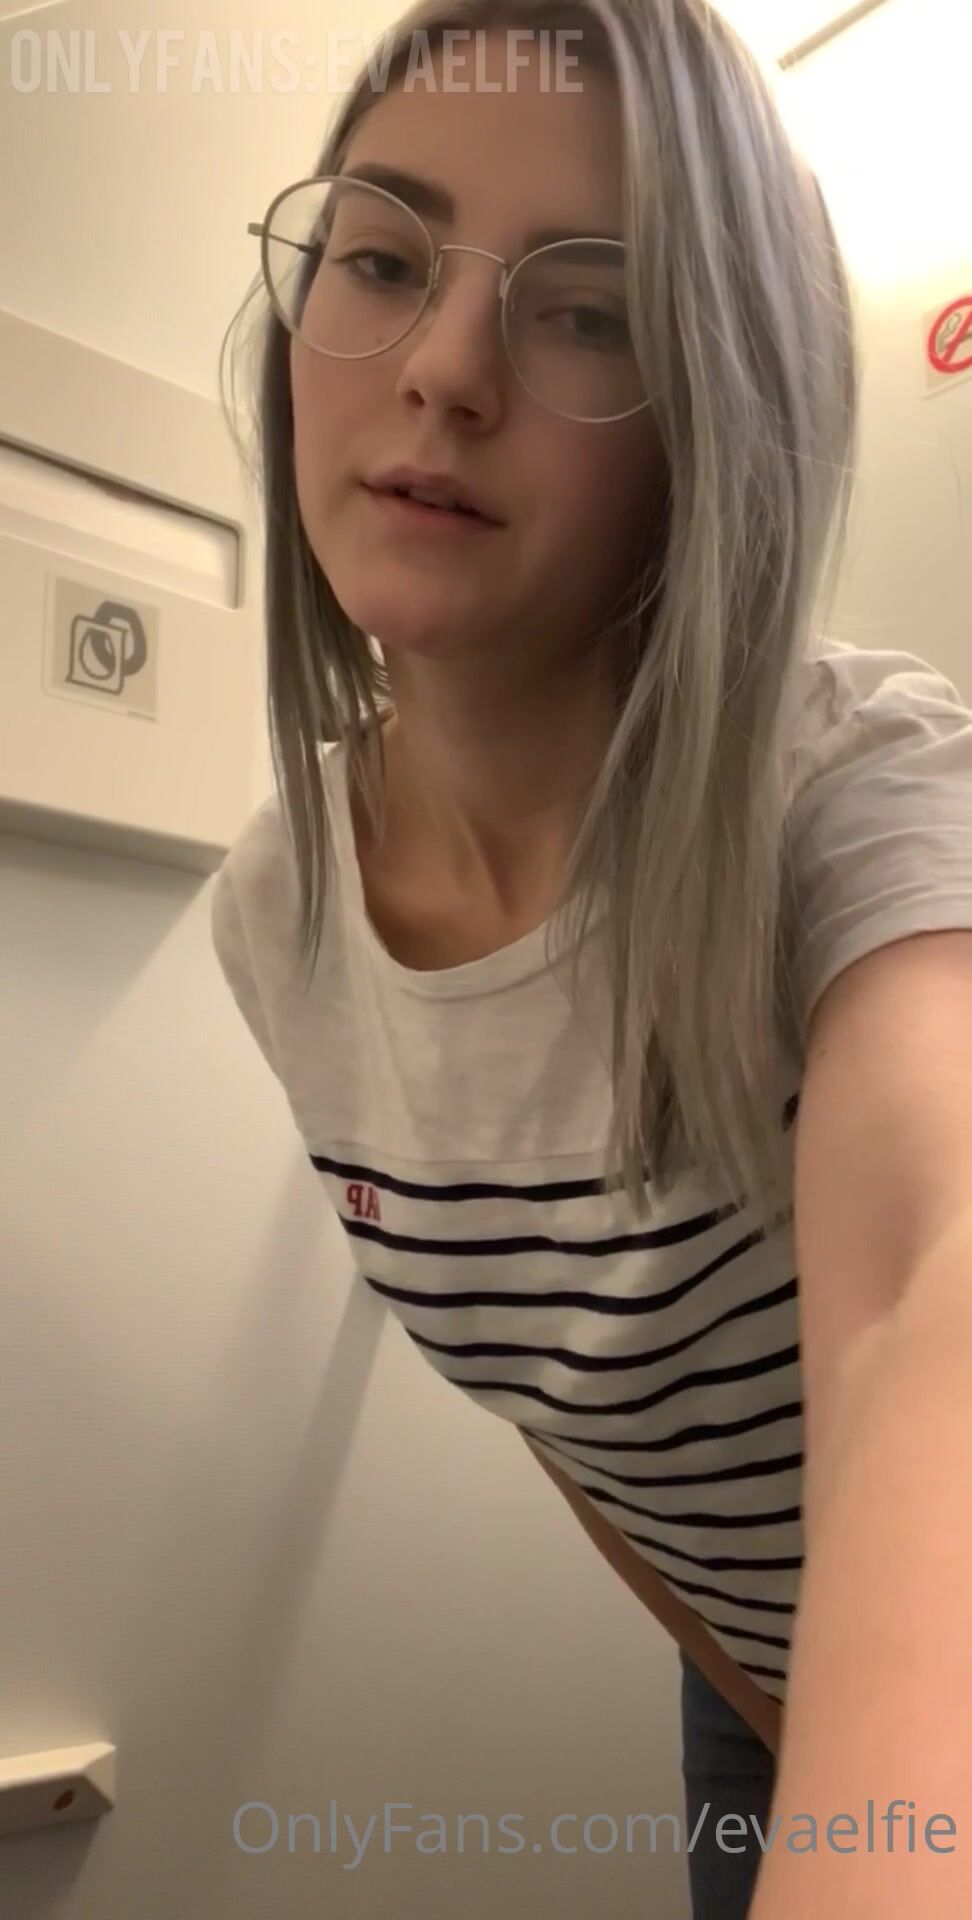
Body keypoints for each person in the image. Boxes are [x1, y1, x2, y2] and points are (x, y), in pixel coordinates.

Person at [213, 4, 972, 1914]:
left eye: (584, 311)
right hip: (756, 1694)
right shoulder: (280, 911)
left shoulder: (864, 797)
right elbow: (573, 1409)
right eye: (383, 258)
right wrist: (786, 1732)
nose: (444, 369)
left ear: (720, 405)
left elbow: (928, 1288)